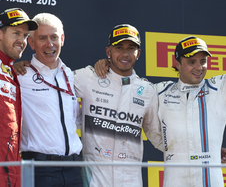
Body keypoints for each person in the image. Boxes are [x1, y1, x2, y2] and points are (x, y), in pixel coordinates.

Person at [95, 35, 226, 186]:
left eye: (203, 61)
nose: (198, 67)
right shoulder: (159, 91)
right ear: (177, 63)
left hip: (211, 178)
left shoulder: (219, 88)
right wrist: (108, 66)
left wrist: (207, 147)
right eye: (191, 62)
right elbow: (127, 85)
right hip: (175, 177)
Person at [73, 24, 163, 187]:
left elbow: (158, 136)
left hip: (131, 180)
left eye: (131, 48)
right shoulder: (88, 77)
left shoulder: (148, 91)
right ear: (109, 52)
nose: (125, 53)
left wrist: (205, 152)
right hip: (94, 179)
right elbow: (54, 80)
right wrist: (19, 68)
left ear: (138, 53)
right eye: (119, 47)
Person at [17, 13, 83, 187]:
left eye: (54, 37)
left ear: (62, 39)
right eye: (42, 38)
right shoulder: (20, 76)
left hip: (75, 168)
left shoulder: (70, 74)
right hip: (40, 169)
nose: (49, 44)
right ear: (31, 43)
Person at [0, 8, 38, 187]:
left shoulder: (11, 71)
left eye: (24, 35)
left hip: (12, 171)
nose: (21, 40)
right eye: (16, 33)